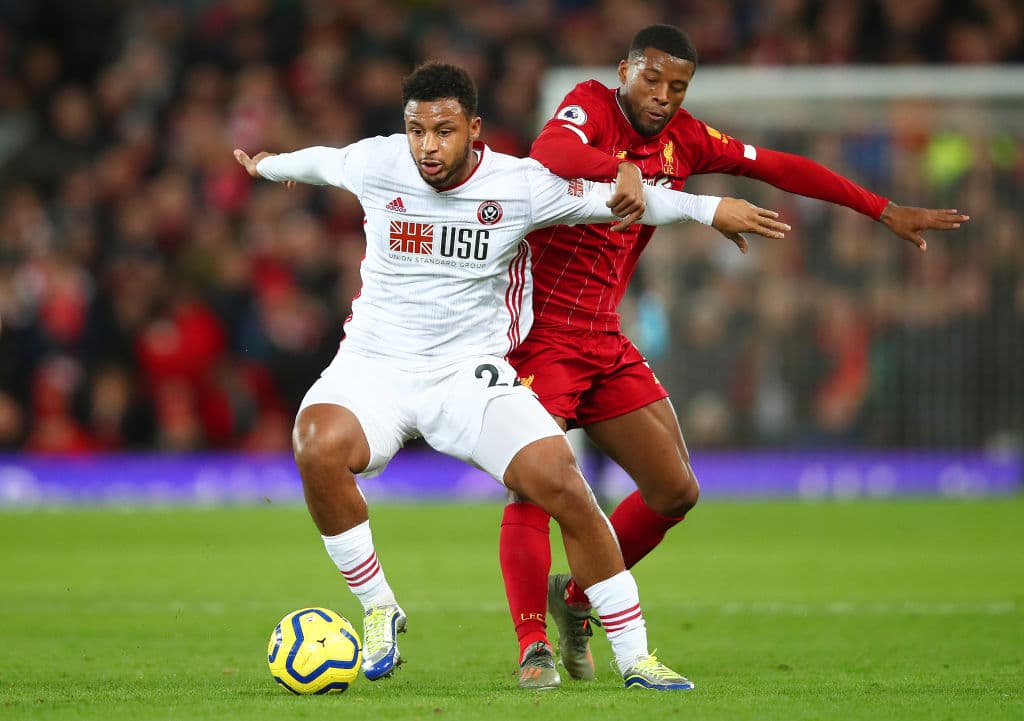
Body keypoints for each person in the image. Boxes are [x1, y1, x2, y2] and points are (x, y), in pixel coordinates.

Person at [233, 62, 789, 690]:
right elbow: (322, 161)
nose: (427, 147)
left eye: (443, 132)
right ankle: (379, 609)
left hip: (468, 376)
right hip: (374, 366)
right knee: (315, 444)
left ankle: (636, 658)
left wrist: (710, 208)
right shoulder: (377, 162)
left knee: (561, 482)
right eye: (416, 131)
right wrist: (269, 165)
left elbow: (625, 200)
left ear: (474, 129)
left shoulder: (522, 185)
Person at [499, 24, 971, 689]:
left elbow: (776, 165)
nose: (663, 96)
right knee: (535, 483)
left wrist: (879, 207)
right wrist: (620, 166)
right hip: (541, 335)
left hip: (604, 338)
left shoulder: (688, 138)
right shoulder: (589, 106)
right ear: (624, 69)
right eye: (652, 79)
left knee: (674, 489)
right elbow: (551, 149)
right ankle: (532, 648)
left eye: (678, 86)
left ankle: (577, 599)